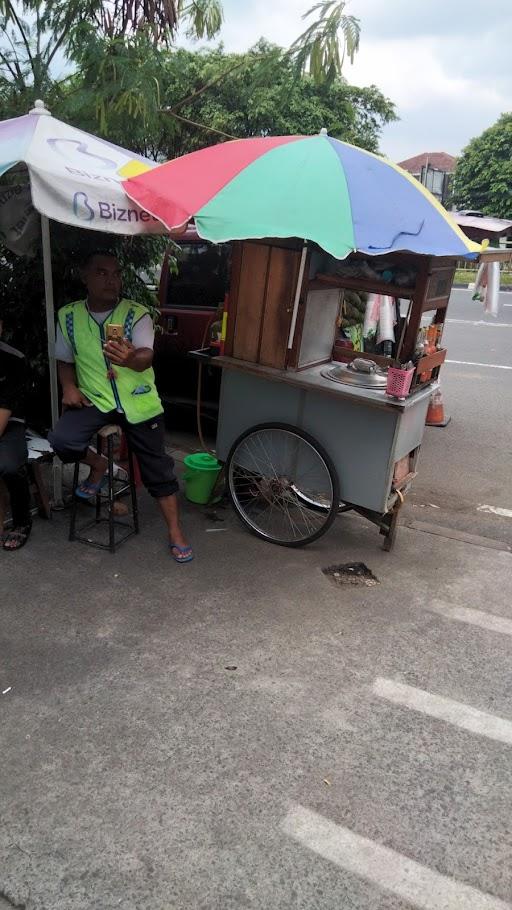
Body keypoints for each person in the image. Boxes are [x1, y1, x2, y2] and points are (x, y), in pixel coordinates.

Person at [48, 250, 193, 563]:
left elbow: (146, 356)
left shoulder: (135, 313)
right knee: (62, 440)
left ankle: (175, 531)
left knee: (159, 470)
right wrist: (69, 387)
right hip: (96, 399)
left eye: (115, 274)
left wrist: (131, 359)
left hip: (138, 401)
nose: (111, 280)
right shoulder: (69, 316)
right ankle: (99, 466)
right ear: (84, 277)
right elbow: (64, 360)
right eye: (101, 273)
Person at [0, 319, 31, 551]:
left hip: (9, 423)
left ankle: (22, 520)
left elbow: (4, 412)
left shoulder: (13, 359)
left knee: (9, 466)